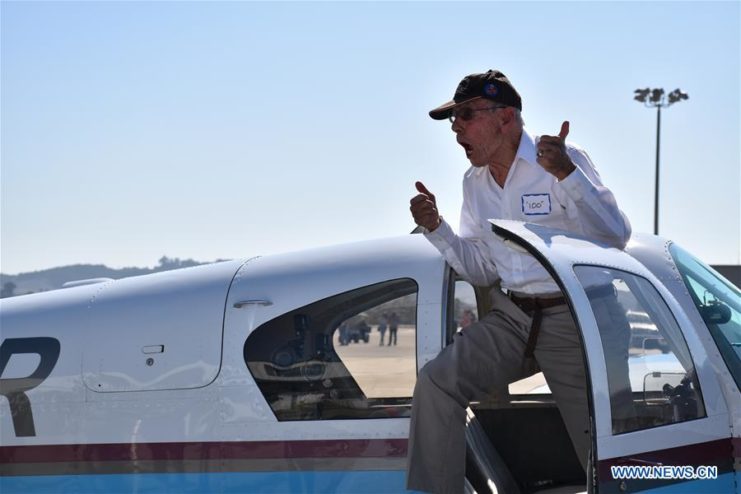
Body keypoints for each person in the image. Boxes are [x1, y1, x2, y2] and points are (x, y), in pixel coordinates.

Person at [406, 70, 632, 493]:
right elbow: (482, 270)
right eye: (453, 119)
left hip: (577, 317)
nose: (456, 127)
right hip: (515, 316)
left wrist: (567, 174)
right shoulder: (474, 184)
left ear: (506, 118)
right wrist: (437, 228)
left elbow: (615, 237)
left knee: (601, 447)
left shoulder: (561, 161)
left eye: (466, 115)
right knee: (437, 382)